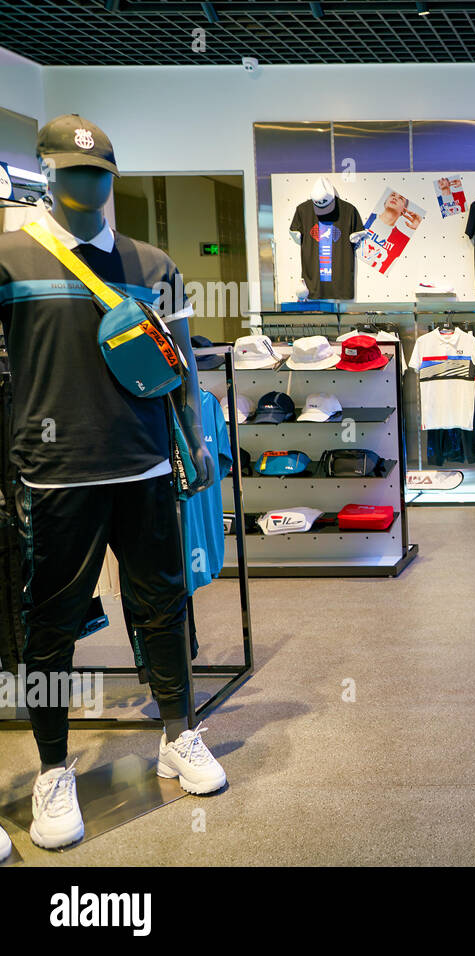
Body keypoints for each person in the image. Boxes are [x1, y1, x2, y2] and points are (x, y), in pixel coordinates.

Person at [0, 115, 229, 851]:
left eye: (97, 172)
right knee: (51, 628)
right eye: (70, 170)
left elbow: (182, 364)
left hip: (147, 464)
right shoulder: (8, 256)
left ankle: (177, 733)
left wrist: (194, 446)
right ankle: (53, 768)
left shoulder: (153, 263)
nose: (84, 183)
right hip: (54, 474)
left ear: (111, 178)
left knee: (161, 608)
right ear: (47, 171)